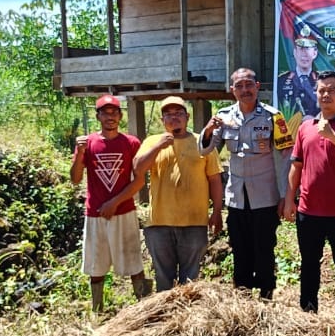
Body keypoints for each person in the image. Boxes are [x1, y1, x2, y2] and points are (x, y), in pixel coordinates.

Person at [101, 96, 223, 292]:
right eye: (168, 114)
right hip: (159, 224)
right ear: (162, 120)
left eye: (178, 113)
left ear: (187, 117)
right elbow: (137, 169)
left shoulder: (202, 142)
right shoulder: (152, 141)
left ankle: (187, 311)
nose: (174, 118)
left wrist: (216, 211)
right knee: (164, 278)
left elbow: (215, 179)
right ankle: (165, 311)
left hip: (194, 223)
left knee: (190, 280)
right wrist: (159, 146)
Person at [200, 67, 294, 300]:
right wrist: (209, 130)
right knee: (239, 248)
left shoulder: (273, 117)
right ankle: (242, 297)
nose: (245, 90)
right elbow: (205, 149)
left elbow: (285, 158)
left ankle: (266, 296)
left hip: (265, 196)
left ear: (257, 87)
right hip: (237, 197)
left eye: (249, 85)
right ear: (232, 90)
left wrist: (285, 196)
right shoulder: (224, 116)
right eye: (239, 86)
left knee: (264, 248)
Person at [282, 71, 335, 331]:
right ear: (316, 94)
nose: (326, 94)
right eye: (321, 90)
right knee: (309, 264)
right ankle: (308, 314)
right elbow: (296, 166)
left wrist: (332, 136)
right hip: (309, 211)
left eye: (332, 90)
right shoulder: (305, 127)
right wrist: (289, 199)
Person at [70, 94, 150, 311]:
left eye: (114, 112)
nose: (110, 117)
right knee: (96, 266)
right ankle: (98, 310)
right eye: (105, 113)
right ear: (98, 116)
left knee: (134, 261)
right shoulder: (87, 143)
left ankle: (143, 308)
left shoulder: (131, 143)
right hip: (95, 213)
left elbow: (139, 181)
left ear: (120, 116)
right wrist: (80, 153)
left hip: (124, 211)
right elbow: (75, 179)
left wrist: (114, 202)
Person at [278, 20, 321, 117]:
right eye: (301, 48)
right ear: (295, 52)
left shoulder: (322, 81)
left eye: (308, 48)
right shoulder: (281, 81)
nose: (304, 54)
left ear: (315, 53)